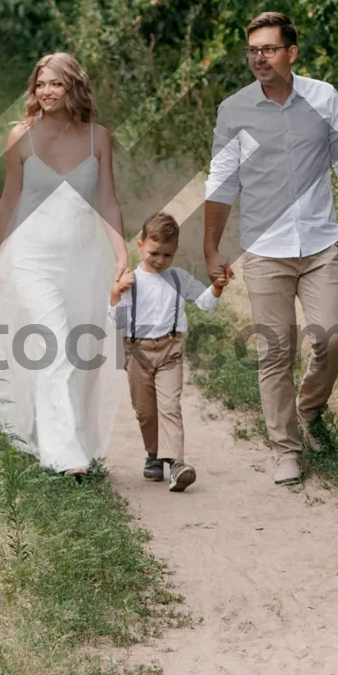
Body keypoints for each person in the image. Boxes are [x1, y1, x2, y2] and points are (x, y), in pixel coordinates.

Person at [203, 12, 338, 486]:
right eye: (253, 51)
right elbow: (221, 182)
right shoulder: (234, 109)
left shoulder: (324, 98)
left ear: (292, 52)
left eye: (269, 49)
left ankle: (309, 411)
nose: (259, 58)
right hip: (264, 250)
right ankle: (286, 448)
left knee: (332, 339)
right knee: (276, 351)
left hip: (321, 243)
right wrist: (211, 249)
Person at [0, 52, 128, 475]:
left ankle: (74, 439)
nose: (45, 92)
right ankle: (63, 456)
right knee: (55, 346)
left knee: (82, 354)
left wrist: (123, 256)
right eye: (40, 84)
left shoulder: (98, 138)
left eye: (55, 84)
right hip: (31, 257)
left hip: (84, 259)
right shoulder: (20, 136)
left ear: (73, 87)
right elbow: (8, 202)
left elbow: (107, 200)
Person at [109, 211, 229, 492]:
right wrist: (115, 294)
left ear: (175, 252)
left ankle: (176, 463)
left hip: (170, 351)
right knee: (145, 411)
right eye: (154, 253)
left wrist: (217, 287)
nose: (160, 261)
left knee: (170, 406)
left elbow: (204, 303)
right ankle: (153, 455)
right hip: (137, 352)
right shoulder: (130, 281)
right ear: (140, 246)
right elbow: (116, 321)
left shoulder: (178, 278)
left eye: (167, 255)